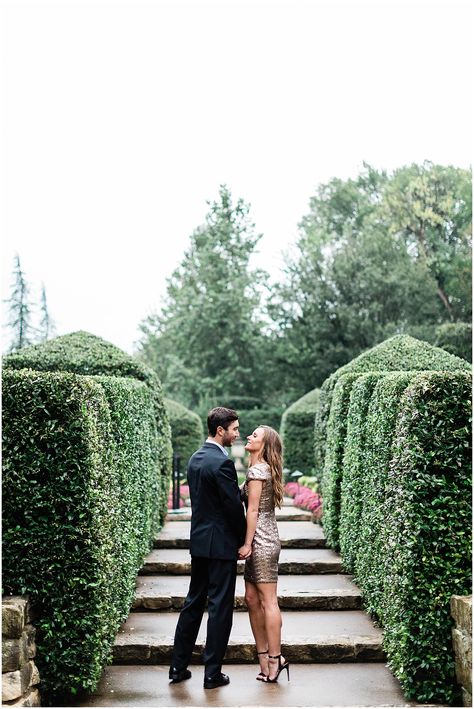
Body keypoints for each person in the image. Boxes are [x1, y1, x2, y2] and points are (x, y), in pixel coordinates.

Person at [169, 407, 247, 689]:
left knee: (193, 603)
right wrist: (242, 539)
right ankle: (212, 674)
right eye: (235, 429)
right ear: (220, 430)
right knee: (219, 608)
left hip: (200, 543)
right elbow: (231, 508)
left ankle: (177, 668)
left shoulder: (195, 459)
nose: (237, 434)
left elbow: (209, 501)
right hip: (221, 546)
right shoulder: (222, 463)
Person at [238, 425, 290, 683]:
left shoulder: (259, 470)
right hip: (260, 538)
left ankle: (275, 658)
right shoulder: (256, 468)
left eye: (255, 436)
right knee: (250, 598)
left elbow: (253, 512)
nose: (249, 436)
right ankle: (263, 656)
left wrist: (247, 544)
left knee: (268, 601)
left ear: (265, 445)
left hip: (262, 540)